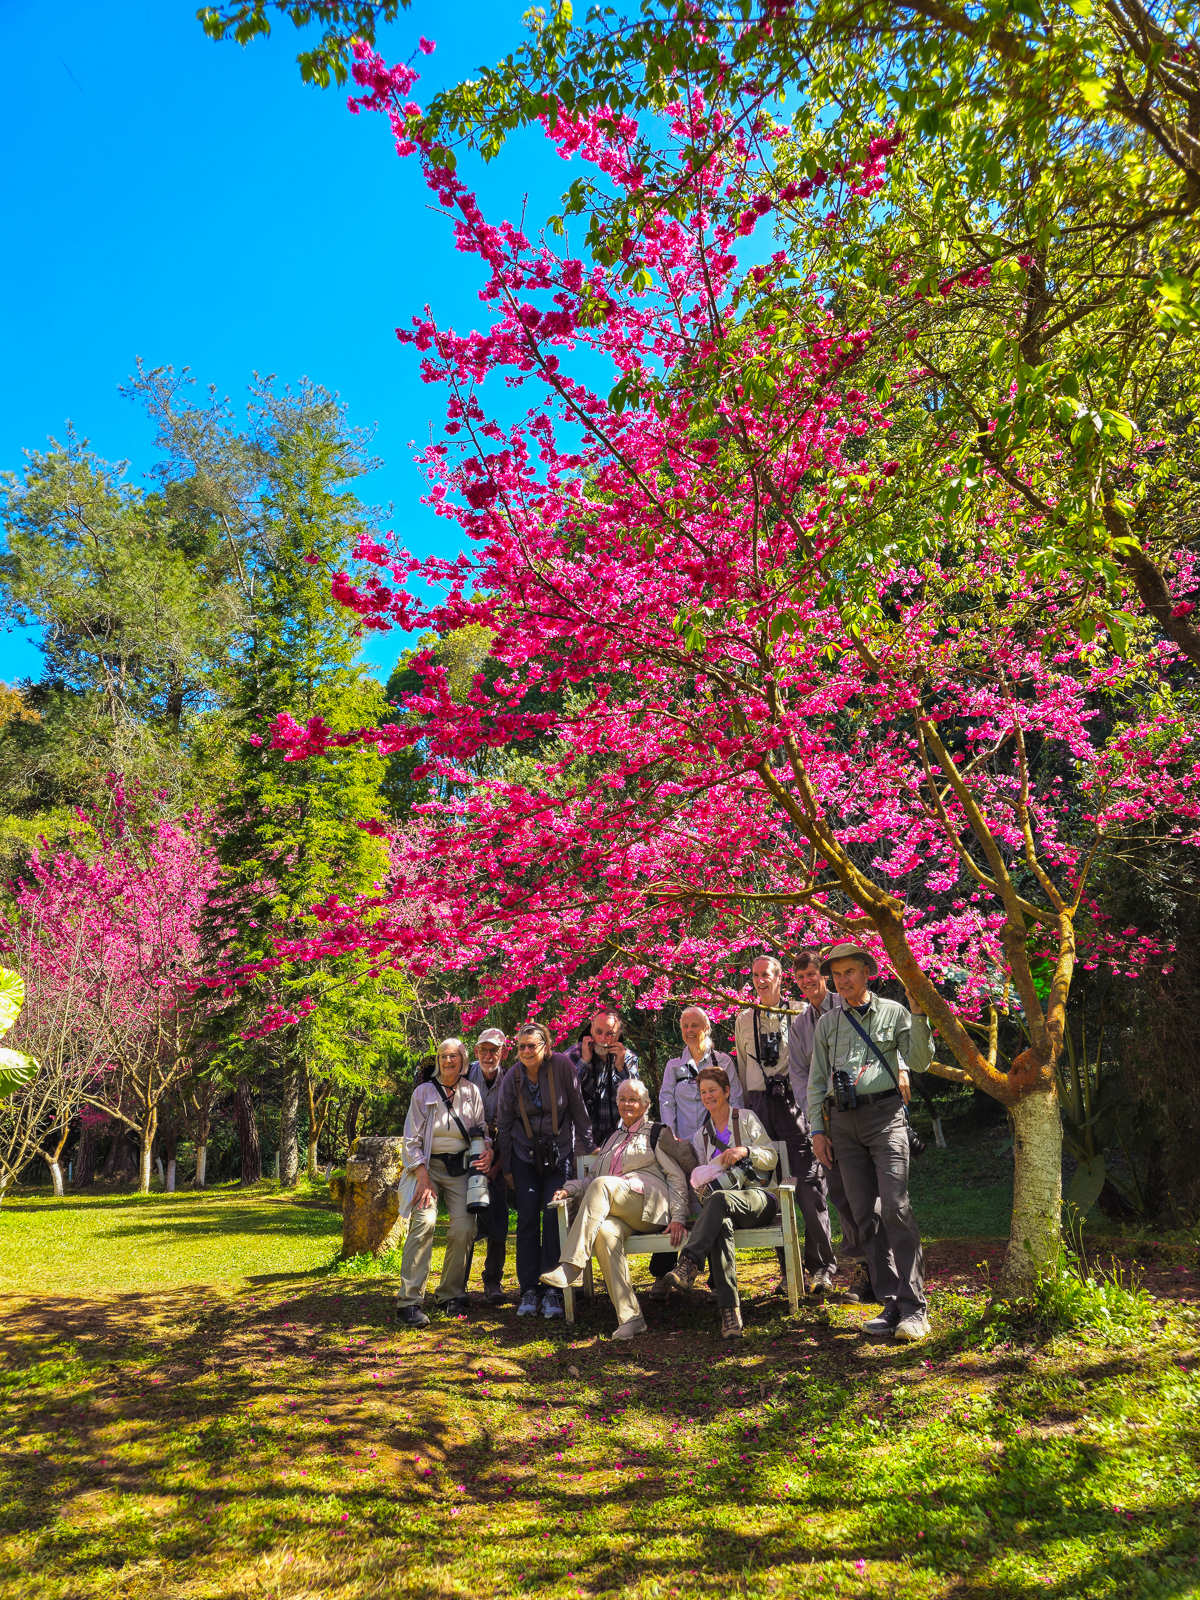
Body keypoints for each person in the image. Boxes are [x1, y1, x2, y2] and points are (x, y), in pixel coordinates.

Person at [808, 942, 933, 1343]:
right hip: (843, 1125)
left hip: (885, 1117)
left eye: (849, 972)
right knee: (864, 1216)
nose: (842, 980)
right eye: (836, 974)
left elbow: (919, 1061)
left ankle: (915, 1308)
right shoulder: (828, 1023)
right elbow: (816, 1082)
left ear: (867, 972)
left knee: (895, 1206)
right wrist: (817, 1131)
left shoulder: (894, 1013)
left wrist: (919, 1014)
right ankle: (891, 1302)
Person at [540, 1080, 689, 1340]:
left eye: (633, 1099)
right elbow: (592, 1178)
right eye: (622, 1099)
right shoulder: (612, 1138)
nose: (626, 1103)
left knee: (602, 1185)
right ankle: (631, 1318)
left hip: (649, 1205)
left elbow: (676, 1177)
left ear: (646, 1105)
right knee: (604, 1233)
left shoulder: (656, 1132)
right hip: (620, 1209)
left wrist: (678, 1217)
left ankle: (572, 1265)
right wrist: (570, 1190)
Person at [734, 954, 838, 1295]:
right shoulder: (743, 1018)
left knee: (809, 1185)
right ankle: (789, 1270)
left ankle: (821, 1268)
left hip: (795, 1101)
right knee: (771, 1188)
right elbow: (742, 1069)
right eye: (755, 975)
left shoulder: (799, 1012)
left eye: (767, 974)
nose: (761, 980)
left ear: (781, 978)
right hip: (759, 1106)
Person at [649, 1065, 779, 1339]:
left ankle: (689, 1263)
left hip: (758, 1198)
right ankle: (730, 1313)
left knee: (719, 1201)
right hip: (725, 1205)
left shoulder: (745, 1118)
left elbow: (772, 1157)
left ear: (726, 1091)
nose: (708, 1096)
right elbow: (702, 1178)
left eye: (713, 1090)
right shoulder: (701, 1136)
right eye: (703, 1092)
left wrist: (746, 1151)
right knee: (720, 1223)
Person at [789, 949, 883, 1305]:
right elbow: (800, 1078)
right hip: (825, 1119)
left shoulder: (846, 1005)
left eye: (811, 975)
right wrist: (816, 1122)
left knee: (872, 1191)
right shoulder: (799, 1026)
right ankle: (862, 1268)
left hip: (863, 1111)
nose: (807, 982)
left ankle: (884, 1266)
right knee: (841, 1194)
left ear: (823, 975)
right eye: (800, 978)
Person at [496, 1022, 594, 1319]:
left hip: (559, 1154)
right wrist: (508, 1169)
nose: (526, 1051)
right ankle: (528, 1288)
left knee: (554, 1216)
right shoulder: (512, 1078)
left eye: (532, 1045)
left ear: (546, 1046)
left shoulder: (562, 1067)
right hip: (523, 1156)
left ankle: (552, 1289)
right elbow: (504, 1125)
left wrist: (589, 1148)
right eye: (521, 1046)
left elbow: (578, 1110)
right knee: (527, 1217)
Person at [395, 1038, 493, 1328]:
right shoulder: (423, 1092)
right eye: (443, 1056)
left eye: (454, 1056)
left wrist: (487, 1149)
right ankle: (409, 1301)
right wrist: (422, 1176)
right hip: (426, 1169)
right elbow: (410, 1139)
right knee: (424, 1222)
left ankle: (450, 1294)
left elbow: (481, 1130)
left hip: (461, 1168)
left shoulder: (471, 1092)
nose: (448, 1060)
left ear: (463, 1060)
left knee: (465, 1227)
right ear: (437, 1061)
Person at [467, 1027, 511, 1305]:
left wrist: (495, 1167)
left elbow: (513, 1128)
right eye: (484, 1050)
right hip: (465, 1154)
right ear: (476, 1051)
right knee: (466, 1218)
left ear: (503, 1053)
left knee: (499, 1217)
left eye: (494, 1050)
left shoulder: (511, 1079)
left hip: (498, 1154)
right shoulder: (464, 1074)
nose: (488, 1055)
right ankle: (459, 1282)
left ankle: (493, 1280)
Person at [660, 1006, 743, 1142]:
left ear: (706, 1028)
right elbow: (667, 1103)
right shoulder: (673, 1067)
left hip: (717, 1141)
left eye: (694, 1025)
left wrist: (733, 1136)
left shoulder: (722, 1062)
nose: (689, 1030)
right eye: (685, 1026)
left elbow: (735, 1099)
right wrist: (670, 1136)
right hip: (684, 1143)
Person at [573, 1006, 641, 1146]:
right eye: (598, 1032)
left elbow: (636, 1099)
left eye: (610, 1034)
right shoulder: (574, 1054)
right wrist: (584, 1062)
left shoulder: (628, 1058)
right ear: (591, 1028)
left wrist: (620, 1069)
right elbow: (564, 1093)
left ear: (618, 1034)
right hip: (581, 1138)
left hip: (619, 1137)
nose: (603, 1039)